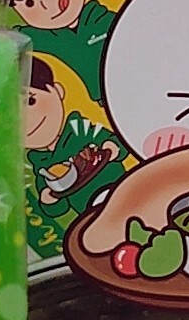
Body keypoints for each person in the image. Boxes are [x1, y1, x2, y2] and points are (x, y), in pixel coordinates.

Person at [23, 58, 126, 223]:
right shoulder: (41, 163)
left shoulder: (79, 128)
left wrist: (111, 146)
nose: (29, 120)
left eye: (31, 101)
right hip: (91, 211)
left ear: (58, 91)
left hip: (121, 186)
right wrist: (49, 200)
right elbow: (57, 209)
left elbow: (116, 140)